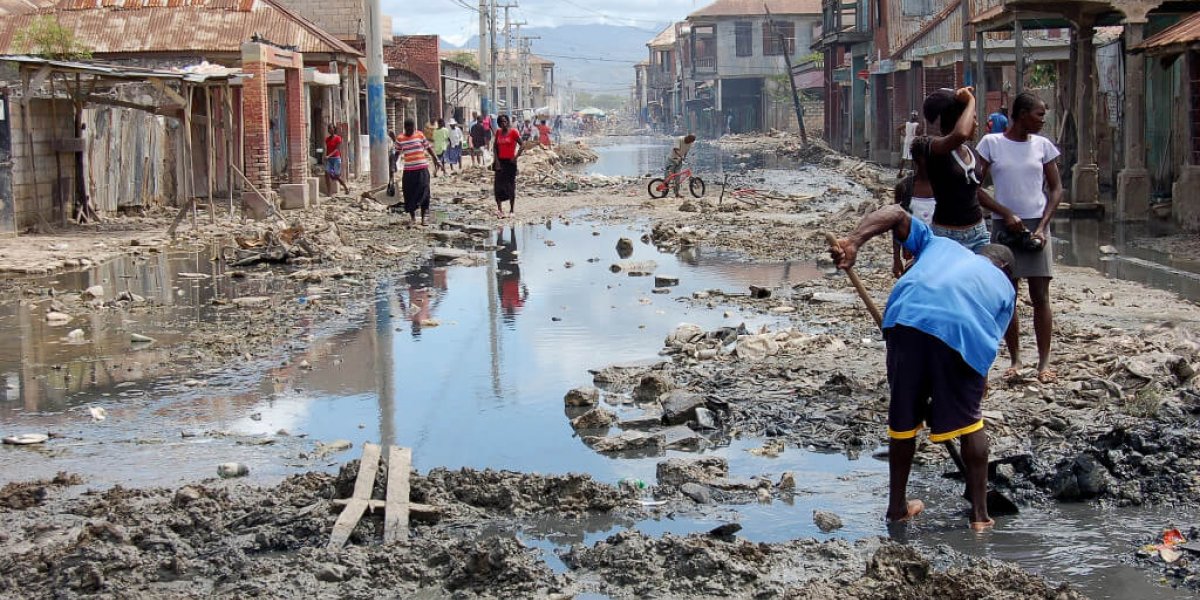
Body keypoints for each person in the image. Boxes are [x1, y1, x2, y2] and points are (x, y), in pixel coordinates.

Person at [830, 204, 1016, 532]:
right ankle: (980, 516)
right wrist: (962, 394)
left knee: (904, 419)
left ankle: (896, 509)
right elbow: (985, 349)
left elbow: (894, 213)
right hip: (962, 333)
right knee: (971, 423)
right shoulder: (1005, 287)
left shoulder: (940, 245)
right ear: (1005, 268)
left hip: (906, 319)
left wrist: (854, 241)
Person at [976, 92, 1064, 384]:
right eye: (1039, 115)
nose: (1042, 120)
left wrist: (1043, 227)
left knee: (1041, 296)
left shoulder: (1043, 146)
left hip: (1036, 226)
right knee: (1008, 296)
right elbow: (974, 187)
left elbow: (1056, 189)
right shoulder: (991, 144)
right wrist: (1004, 213)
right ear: (1022, 114)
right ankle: (1015, 358)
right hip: (1005, 228)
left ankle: (1044, 362)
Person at [917, 87, 993, 252]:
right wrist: (971, 100)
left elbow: (975, 192)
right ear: (959, 121)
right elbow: (960, 135)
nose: (976, 124)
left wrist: (1005, 212)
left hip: (978, 233)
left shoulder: (972, 152)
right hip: (947, 235)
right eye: (973, 118)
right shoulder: (932, 147)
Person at [393, 118, 441, 227]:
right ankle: (413, 218)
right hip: (409, 171)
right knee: (409, 194)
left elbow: (429, 148)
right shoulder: (400, 138)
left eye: (412, 128)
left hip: (422, 169)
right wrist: (392, 165)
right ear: (405, 128)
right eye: (409, 129)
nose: (411, 131)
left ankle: (424, 218)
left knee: (425, 192)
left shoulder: (420, 135)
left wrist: (436, 160)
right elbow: (396, 154)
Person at [491, 114, 524, 217]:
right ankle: (500, 210)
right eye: (501, 122)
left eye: (505, 121)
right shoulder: (498, 132)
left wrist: (516, 157)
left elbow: (522, 145)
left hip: (510, 162)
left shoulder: (513, 132)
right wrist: (496, 161)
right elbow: (495, 147)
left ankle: (511, 210)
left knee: (510, 186)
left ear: (508, 122)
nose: (503, 123)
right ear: (499, 124)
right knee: (498, 186)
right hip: (500, 162)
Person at [664, 133, 696, 198]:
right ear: (687, 137)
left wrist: (684, 158)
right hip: (671, 160)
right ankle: (663, 192)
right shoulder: (679, 139)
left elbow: (686, 152)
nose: (690, 142)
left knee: (677, 178)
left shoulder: (689, 143)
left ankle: (677, 193)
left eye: (691, 141)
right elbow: (676, 149)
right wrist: (680, 156)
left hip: (679, 161)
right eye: (689, 140)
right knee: (668, 177)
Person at [323, 124, 350, 195]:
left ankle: (345, 187)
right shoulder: (327, 139)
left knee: (336, 176)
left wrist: (329, 155)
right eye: (329, 129)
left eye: (331, 128)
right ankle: (329, 192)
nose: (330, 130)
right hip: (329, 160)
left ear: (334, 129)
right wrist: (326, 156)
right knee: (327, 174)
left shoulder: (338, 138)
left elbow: (337, 149)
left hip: (336, 159)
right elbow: (327, 149)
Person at [897, 111, 922, 177]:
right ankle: (915, 173)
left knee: (904, 157)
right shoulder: (917, 124)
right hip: (913, 141)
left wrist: (904, 134)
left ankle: (900, 172)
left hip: (906, 141)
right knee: (914, 157)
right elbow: (918, 133)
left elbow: (898, 129)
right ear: (916, 117)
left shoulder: (907, 123)